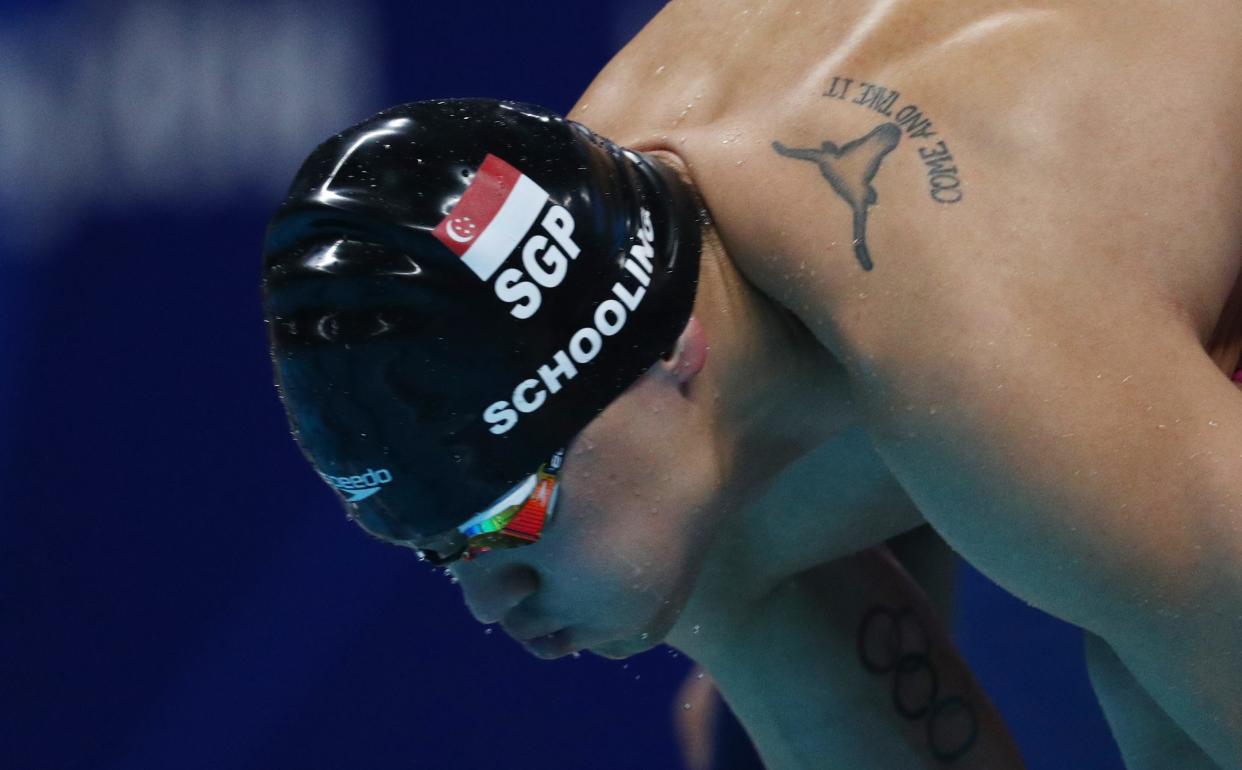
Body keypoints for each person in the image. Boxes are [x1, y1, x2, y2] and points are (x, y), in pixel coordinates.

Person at [260, 0, 1242, 767]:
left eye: (508, 517)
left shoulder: (989, 349)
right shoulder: (623, 305)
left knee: (1169, 695)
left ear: (666, 352)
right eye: (439, 547)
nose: (488, 596)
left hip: (1078, 195)